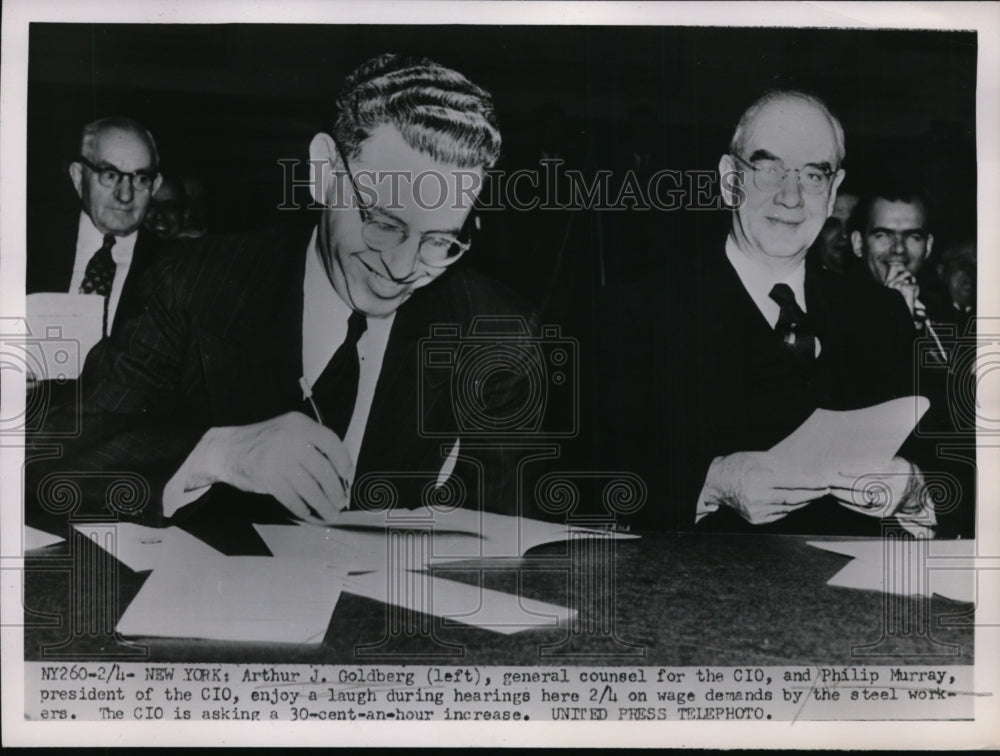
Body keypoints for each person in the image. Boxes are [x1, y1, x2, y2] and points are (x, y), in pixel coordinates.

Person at [26, 54, 535, 533]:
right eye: (383, 223)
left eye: (440, 241)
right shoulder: (192, 286)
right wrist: (220, 454)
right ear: (324, 171)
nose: (402, 270)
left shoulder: (494, 335)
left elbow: (493, 549)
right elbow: (51, 466)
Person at [605, 90, 934, 536]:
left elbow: (966, 471)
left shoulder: (880, 315)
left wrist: (914, 488)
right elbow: (578, 472)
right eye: (767, 168)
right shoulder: (638, 307)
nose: (791, 197)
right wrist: (713, 483)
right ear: (728, 179)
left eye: (814, 175)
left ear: (835, 189)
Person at [26, 117, 164, 337]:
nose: (125, 195)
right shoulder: (28, 245)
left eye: (141, 179)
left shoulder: (175, 268)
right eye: (109, 175)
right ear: (79, 177)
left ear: (155, 185)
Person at [850, 185, 952, 362]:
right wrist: (894, 312)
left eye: (913, 236)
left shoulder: (947, 312)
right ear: (858, 243)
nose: (898, 249)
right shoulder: (836, 316)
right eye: (883, 235)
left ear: (928, 246)